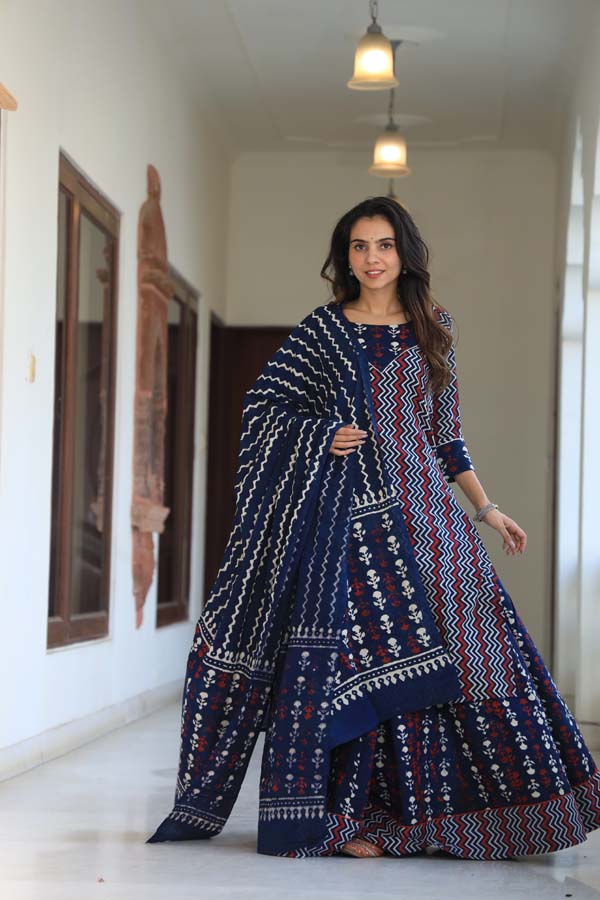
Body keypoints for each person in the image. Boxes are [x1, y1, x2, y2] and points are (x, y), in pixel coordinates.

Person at [147, 196, 600, 859]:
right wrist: (319, 434)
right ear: (343, 256)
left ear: (404, 253)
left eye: (384, 245)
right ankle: (365, 819)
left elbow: (445, 437)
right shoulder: (320, 332)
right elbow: (264, 408)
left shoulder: (434, 327)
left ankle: (471, 817)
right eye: (359, 246)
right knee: (365, 670)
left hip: (431, 520)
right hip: (351, 526)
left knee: (473, 652)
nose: (372, 258)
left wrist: (488, 507)